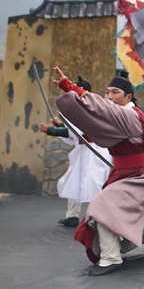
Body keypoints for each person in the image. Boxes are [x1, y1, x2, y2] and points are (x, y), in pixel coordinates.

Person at [54, 67, 144, 276]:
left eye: (115, 92)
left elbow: (101, 110)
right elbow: (95, 121)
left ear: (128, 96)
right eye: (107, 92)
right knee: (111, 211)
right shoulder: (122, 115)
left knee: (100, 207)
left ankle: (111, 257)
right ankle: (132, 241)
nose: (110, 96)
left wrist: (71, 88)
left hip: (140, 177)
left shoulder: (129, 115)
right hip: (126, 174)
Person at [39, 76, 112, 227]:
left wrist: (53, 130)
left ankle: (98, 216)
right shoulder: (78, 111)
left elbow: (77, 130)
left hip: (95, 152)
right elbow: (74, 133)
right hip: (82, 152)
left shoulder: (91, 109)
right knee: (74, 182)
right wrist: (60, 125)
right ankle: (72, 215)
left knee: (95, 184)